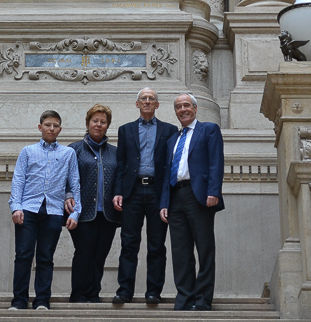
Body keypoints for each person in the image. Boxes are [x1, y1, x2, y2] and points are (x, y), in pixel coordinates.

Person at [111, 88, 178, 306]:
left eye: (152, 99)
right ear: (137, 104)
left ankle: (153, 292)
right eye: (144, 99)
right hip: (132, 193)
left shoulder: (170, 130)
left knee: (157, 245)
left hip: (158, 193)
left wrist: (169, 197)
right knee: (129, 243)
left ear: (157, 105)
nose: (148, 102)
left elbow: (171, 166)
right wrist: (118, 191)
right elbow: (121, 164)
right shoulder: (125, 130)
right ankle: (124, 291)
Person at [9, 110, 81, 310]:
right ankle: (19, 300)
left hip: (54, 211)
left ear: (60, 129)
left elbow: (75, 184)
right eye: (48, 125)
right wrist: (16, 207)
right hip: (28, 209)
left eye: (55, 125)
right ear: (40, 127)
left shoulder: (68, 154)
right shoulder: (28, 151)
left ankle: (42, 300)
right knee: (23, 255)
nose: (52, 128)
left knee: (45, 257)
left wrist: (75, 212)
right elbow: (18, 181)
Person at [159, 93, 225, 311]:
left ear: (195, 109)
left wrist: (213, 191)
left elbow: (216, 162)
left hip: (200, 197)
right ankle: (184, 299)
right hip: (176, 197)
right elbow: (168, 173)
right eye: (178, 106)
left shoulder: (209, 129)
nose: (182, 109)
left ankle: (203, 300)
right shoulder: (172, 140)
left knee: (204, 249)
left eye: (186, 105)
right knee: (180, 252)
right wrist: (164, 203)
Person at [64, 104, 121, 302]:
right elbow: (65, 177)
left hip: (108, 213)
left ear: (108, 126)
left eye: (103, 122)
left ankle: (93, 294)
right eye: (95, 121)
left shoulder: (115, 152)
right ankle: (79, 294)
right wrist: (68, 194)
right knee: (84, 252)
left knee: (100, 255)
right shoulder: (74, 149)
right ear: (88, 123)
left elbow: (120, 178)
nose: (98, 124)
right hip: (82, 212)